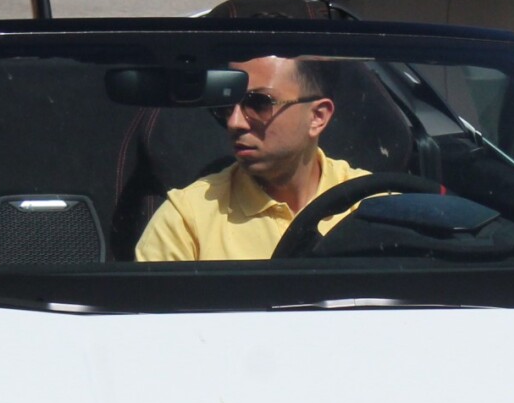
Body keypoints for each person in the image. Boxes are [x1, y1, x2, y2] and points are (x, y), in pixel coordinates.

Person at [134, 56, 369, 261]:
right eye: (228, 105)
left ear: (317, 117)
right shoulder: (186, 221)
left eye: (259, 103)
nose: (234, 122)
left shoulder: (371, 204)